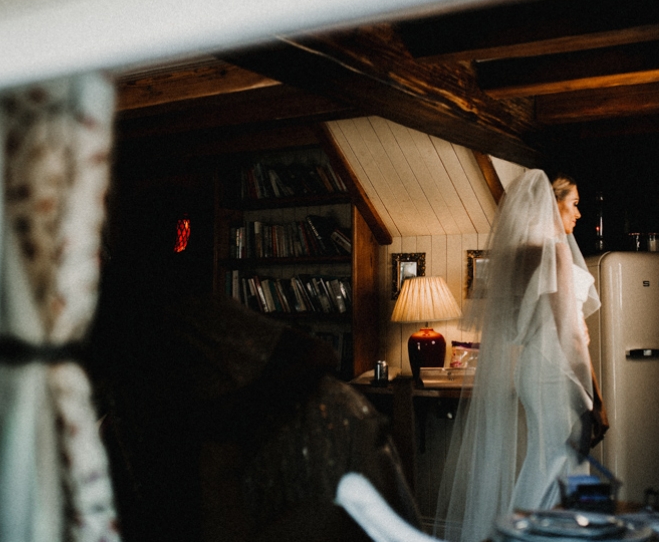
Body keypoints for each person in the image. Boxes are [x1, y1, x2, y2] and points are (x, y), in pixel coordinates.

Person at [88, 192, 421, 542]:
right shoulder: (113, 334)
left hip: (322, 435)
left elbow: (319, 354)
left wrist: (232, 415)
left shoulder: (196, 314)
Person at [435, 169, 607, 542]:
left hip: (534, 369)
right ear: (553, 203)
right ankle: (525, 535)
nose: (578, 215)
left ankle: (538, 533)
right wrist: (591, 396)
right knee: (560, 463)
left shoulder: (516, 255)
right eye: (574, 204)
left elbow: (529, 325)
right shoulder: (555, 252)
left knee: (546, 462)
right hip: (558, 372)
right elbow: (570, 334)